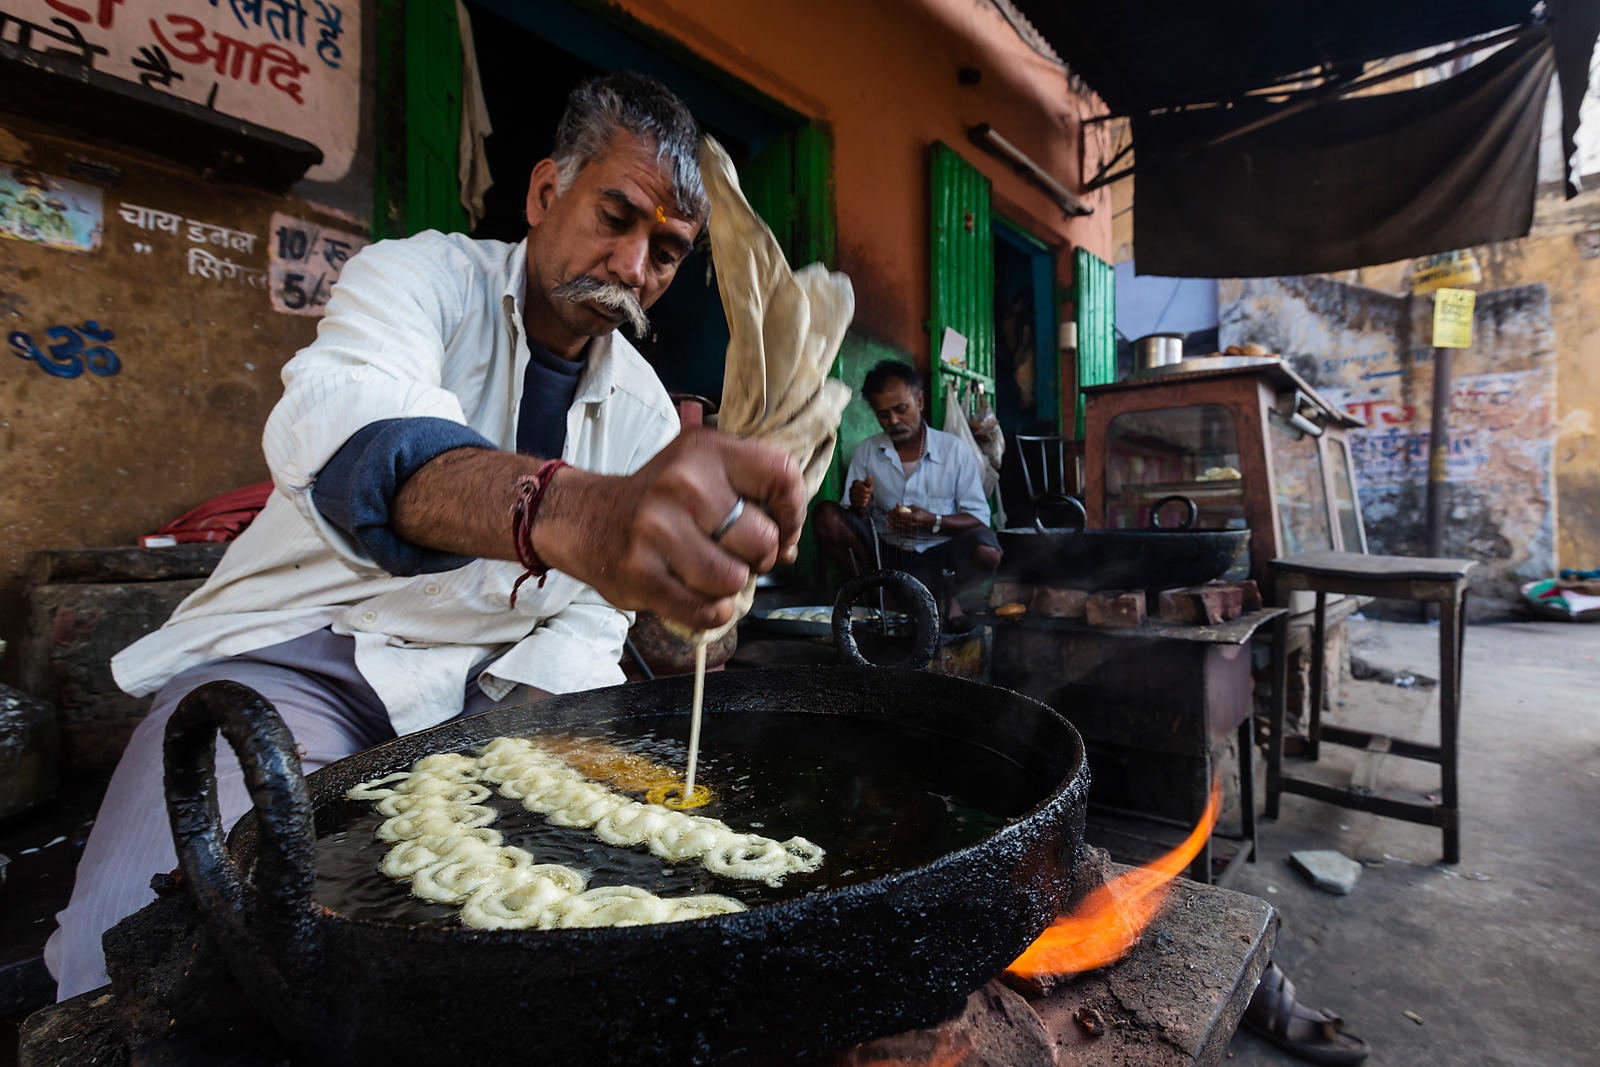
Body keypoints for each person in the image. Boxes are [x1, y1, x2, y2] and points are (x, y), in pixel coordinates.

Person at [44, 72, 805, 1000]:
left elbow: (588, 629)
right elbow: (359, 443)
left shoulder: (645, 410)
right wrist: (575, 514)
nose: (634, 266)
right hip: (296, 666)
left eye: (669, 251)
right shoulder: (417, 280)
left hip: (490, 705)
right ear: (543, 191)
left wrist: (548, 723)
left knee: (494, 953)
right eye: (617, 216)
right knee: (131, 956)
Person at [813, 360, 1001, 618]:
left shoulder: (954, 450)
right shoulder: (868, 451)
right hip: (885, 558)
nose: (893, 420)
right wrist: (859, 505)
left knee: (987, 548)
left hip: (938, 559)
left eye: (901, 409)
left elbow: (979, 519)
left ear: (920, 402)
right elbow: (851, 526)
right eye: (882, 414)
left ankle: (947, 596)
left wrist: (932, 520)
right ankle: (886, 598)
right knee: (827, 515)